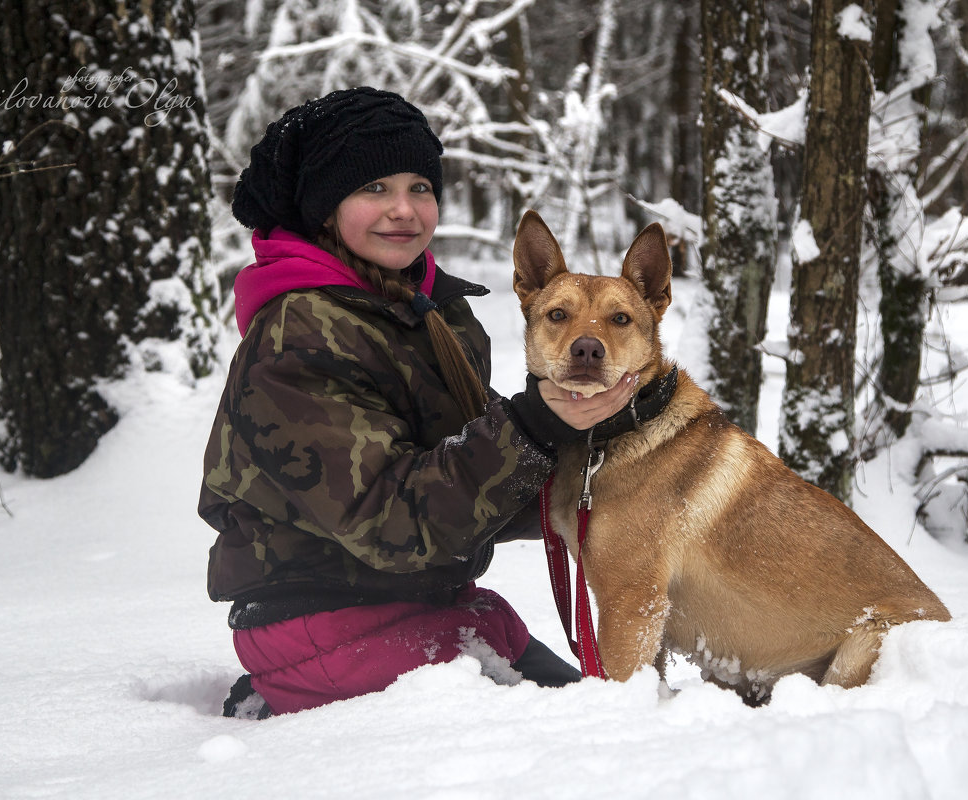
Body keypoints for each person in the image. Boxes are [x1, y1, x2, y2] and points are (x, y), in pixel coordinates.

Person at [199, 87, 640, 719]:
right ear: (324, 207)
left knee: (593, 706)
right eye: (373, 188)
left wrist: (616, 466)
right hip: (326, 625)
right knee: (572, 734)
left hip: (427, 602)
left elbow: (478, 475)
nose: (404, 210)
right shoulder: (300, 333)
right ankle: (286, 701)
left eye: (421, 187)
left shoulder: (422, 311)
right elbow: (393, 522)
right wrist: (538, 425)